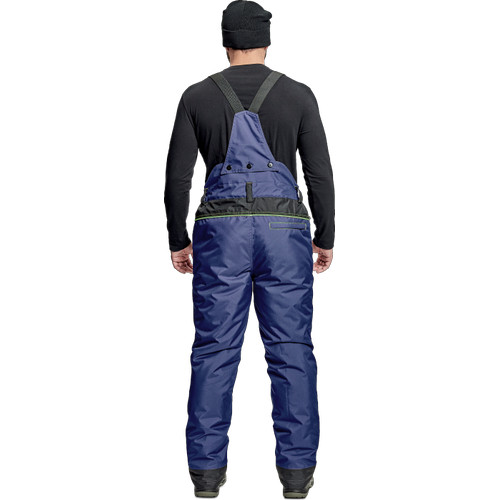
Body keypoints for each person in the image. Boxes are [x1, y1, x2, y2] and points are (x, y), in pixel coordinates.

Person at [164, 1, 335, 497]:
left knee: (214, 352)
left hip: (221, 235)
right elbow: (319, 174)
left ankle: (206, 478)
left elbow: (177, 179)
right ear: (267, 40)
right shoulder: (298, 95)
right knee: (291, 351)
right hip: (284, 234)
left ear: (225, 42)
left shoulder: (197, 96)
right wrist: (325, 236)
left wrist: (178, 239)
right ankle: (297, 478)